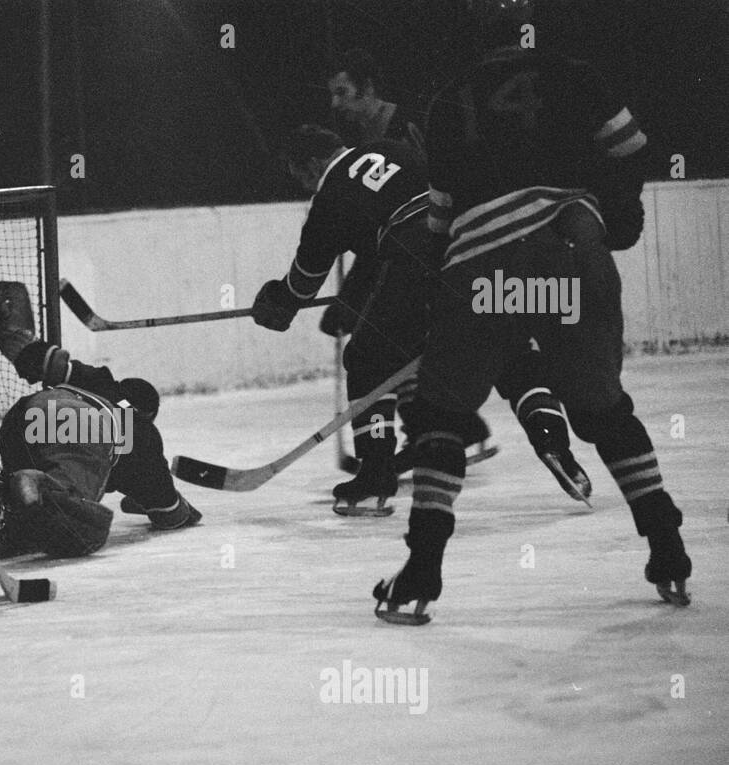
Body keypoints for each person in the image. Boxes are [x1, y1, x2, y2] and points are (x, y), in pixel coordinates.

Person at [373, 0, 691, 622]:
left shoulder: (446, 101)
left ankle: (420, 574)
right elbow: (634, 149)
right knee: (603, 410)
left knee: (440, 415)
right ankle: (668, 548)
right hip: (574, 256)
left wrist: (437, 288)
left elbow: (441, 215)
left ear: (475, 41)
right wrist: (617, 212)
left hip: (486, 272)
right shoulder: (577, 74)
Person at [254, 125, 589, 514]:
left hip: (417, 252)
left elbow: (304, 282)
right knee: (505, 346)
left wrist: (277, 303)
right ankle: (553, 442)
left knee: (368, 360)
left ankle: (374, 478)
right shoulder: (391, 147)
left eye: (298, 174)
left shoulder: (330, 195)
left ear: (312, 164)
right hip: (484, 238)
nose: (303, 184)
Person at [0, 281, 199, 558]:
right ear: (146, 414)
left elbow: (39, 361)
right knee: (78, 523)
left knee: (26, 508)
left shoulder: (97, 379)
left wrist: (21, 342)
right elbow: (170, 514)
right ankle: (41, 489)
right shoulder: (139, 432)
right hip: (79, 425)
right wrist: (183, 508)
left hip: (23, 419)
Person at [327, 48, 426, 155]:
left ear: (367, 87)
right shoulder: (353, 134)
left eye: (341, 92)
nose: (334, 103)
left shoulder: (406, 126)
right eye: (332, 95)